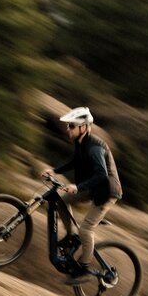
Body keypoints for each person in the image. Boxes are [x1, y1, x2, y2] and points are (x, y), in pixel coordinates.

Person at [41, 106, 122, 285]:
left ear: (84, 127)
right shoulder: (81, 144)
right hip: (93, 188)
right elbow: (74, 162)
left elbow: (101, 175)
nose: (68, 129)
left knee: (86, 229)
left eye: (71, 126)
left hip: (107, 192)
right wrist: (54, 170)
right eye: (68, 126)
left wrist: (78, 187)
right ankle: (71, 235)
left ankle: (84, 268)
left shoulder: (94, 148)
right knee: (61, 200)